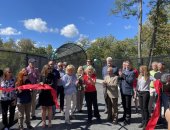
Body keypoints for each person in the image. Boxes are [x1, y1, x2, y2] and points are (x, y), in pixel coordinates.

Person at [118, 60, 135, 125]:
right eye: (126, 65)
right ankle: (124, 116)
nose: (127, 66)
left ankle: (128, 119)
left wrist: (123, 75)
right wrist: (120, 76)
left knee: (128, 106)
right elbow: (120, 79)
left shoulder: (132, 72)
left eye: (128, 65)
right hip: (122, 90)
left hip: (128, 91)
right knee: (124, 105)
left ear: (131, 65)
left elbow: (130, 80)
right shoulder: (124, 71)